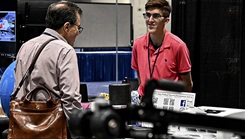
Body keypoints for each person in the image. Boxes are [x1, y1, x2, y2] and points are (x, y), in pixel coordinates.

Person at [13, 1, 83, 138]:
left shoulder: (25, 46)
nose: (78, 33)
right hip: (53, 127)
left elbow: (18, 90)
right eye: (78, 28)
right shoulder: (65, 51)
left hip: (24, 125)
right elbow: (71, 98)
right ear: (67, 27)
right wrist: (77, 132)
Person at [131, 0, 193, 97]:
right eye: (148, 15)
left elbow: (187, 85)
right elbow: (140, 77)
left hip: (168, 104)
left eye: (156, 16)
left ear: (166, 20)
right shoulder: (138, 44)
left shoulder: (178, 46)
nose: (150, 20)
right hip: (146, 102)